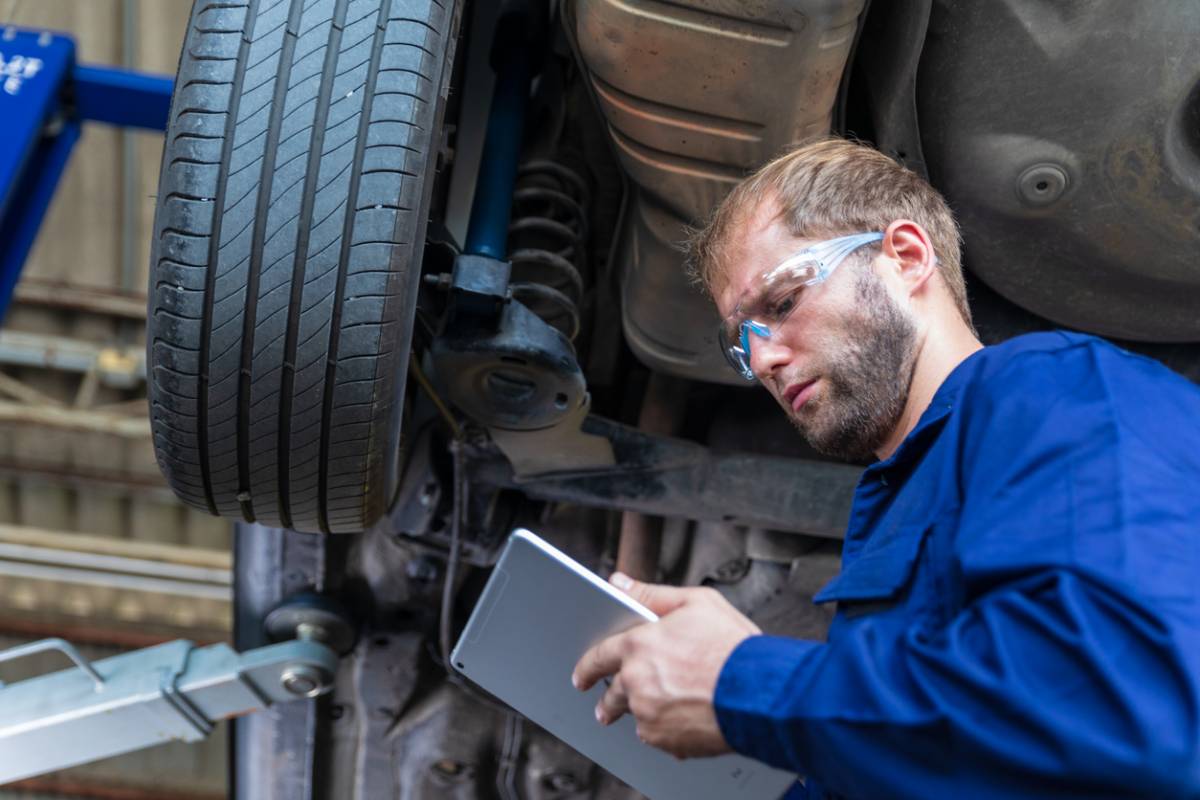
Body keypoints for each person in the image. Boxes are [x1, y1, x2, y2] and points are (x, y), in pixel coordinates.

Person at [571, 138, 1200, 799]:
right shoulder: (897, 500)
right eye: (740, 343)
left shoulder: (1058, 389)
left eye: (782, 303)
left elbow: (1127, 711)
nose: (760, 362)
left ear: (905, 256)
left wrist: (743, 683)